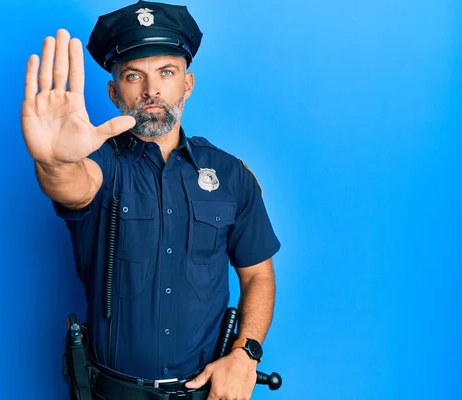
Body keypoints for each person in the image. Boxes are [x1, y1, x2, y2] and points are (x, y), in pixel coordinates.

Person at [20, 1, 281, 399]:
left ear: (187, 84)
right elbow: (71, 184)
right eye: (132, 75)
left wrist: (246, 354)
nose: (151, 89)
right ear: (113, 91)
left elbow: (258, 274)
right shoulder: (98, 163)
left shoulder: (230, 176)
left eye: (166, 72)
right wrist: (53, 160)